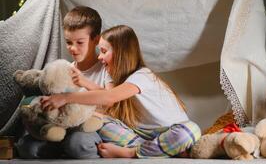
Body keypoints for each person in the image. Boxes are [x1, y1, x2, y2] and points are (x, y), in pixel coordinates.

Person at [40, 25, 201, 158]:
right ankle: (164, 152)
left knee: (190, 130)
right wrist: (83, 81)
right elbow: (107, 96)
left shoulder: (143, 75)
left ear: (121, 54)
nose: (99, 57)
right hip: (140, 135)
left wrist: (67, 97)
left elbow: (109, 98)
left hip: (170, 132)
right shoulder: (117, 78)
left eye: (104, 51)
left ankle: (132, 152)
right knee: (98, 120)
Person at [16, 6, 112, 159]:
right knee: (27, 147)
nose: (73, 48)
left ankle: (65, 148)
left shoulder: (106, 69)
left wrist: (80, 87)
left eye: (80, 42)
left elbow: (111, 101)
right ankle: (59, 145)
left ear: (95, 39)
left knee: (77, 143)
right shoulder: (64, 70)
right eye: (69, 42)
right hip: (61, 126)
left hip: (88, 128)